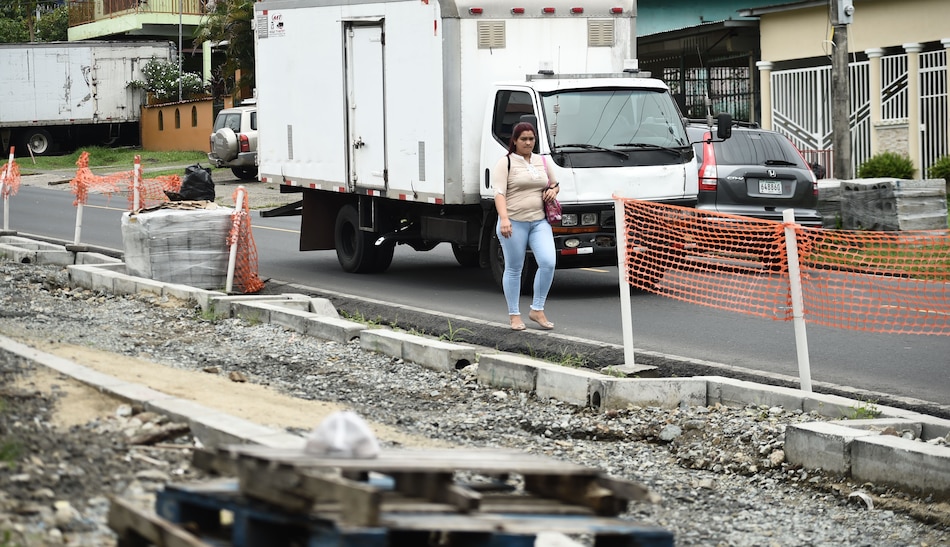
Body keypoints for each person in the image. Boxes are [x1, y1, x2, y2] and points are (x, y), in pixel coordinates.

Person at [492, 122, 560, 331]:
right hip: (514, 222)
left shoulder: (542, 161)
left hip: (539, 221)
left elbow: (554, 184)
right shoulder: (506, 163)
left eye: (531, 139)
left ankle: (537, 309)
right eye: (523, 139)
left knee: (548, 262)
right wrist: (504, 219)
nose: (528, 142)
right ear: (514, 140)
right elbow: (499, 193)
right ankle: (514, 315)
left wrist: (553, 191)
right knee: (514, 268)